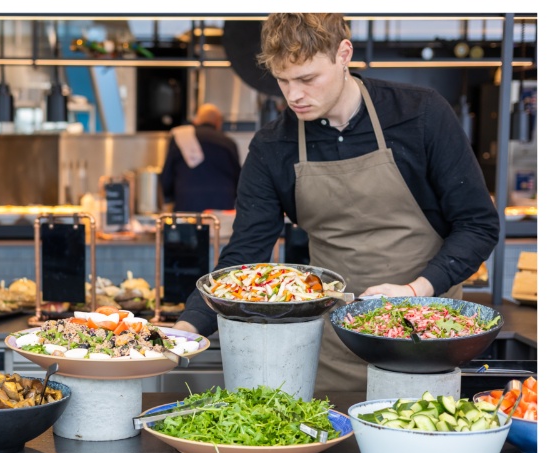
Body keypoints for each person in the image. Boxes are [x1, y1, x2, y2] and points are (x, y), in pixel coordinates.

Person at [173, 13, 500, 392]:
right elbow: (244, 253)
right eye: (283, 80)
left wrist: (417, 290)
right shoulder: (272, 148)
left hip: (424, 334)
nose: (293, 95)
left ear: (343, 54)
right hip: (332, 347)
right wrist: (187, 328)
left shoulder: (419, 115)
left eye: (307, 79)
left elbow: (478, 225)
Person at [159, 103, 242, 213]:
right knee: (218, 230)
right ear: (218, 123)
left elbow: (166, 177)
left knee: (188, 230)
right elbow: (239, 180)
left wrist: (168, 198)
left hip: (187, 206)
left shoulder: (180, 138)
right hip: (222, 208)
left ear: (196, 121)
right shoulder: (229, 143)